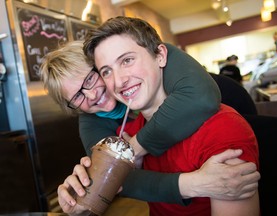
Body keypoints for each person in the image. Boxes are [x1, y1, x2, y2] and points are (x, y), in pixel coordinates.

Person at [41, 41, 259, 215]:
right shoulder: (95, 122)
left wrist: (132, 148)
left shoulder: (158, 64)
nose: (91, 94)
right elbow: (114, 178)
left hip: (227, 108)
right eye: (77, 96)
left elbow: (203, 98)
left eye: (90, 78)